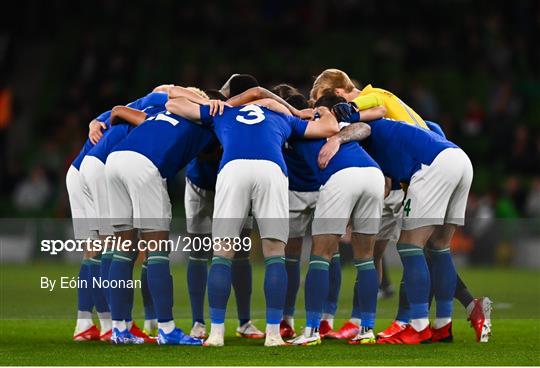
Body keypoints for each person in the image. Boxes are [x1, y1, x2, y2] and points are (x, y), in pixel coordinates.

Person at [165, 89, 339, 347]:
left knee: (222, 253)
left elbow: (173, 104)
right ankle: (273, 334)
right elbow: (329, 128)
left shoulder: (223, 112)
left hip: (233, 169)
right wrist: (307, 111)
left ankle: (215, 334)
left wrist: (212, 102)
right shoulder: (281, 117)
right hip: (271, 168)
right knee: (274, 253)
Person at [319, 114, 473, 344]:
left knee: (409, 245)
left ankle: (418, 326)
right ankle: (443, 324)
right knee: (439, 247)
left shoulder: (361, 132)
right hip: (460, 160)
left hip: (432, 166)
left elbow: (385, 184)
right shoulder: (410, 124)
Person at [104, 86, 221, 345]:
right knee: (157, 250)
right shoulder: (207, 117)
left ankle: (119, 329)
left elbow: (124, 112)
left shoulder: (161, 112)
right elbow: (213, 151)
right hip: (145, 166)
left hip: (115, 162)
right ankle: (167, 329)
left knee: (123, 250)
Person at [285, 93, 385, 346]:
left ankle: (310, 332)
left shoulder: (297, 124)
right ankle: (367, 331)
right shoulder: (334, 122)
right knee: (365, 258)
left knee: (320, 256)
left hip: (341, 177)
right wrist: (339, 137)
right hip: (374, 175)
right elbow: (364, 127)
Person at [79, 89, 169, 342]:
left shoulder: (135, 107)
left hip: (88, 165)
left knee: (102, 247)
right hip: (100, 166)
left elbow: (104, 117)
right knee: (114, 247)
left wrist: (94, 123)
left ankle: (94, 323)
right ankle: (116, 326)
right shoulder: (157, 106)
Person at [184, 88, 263, 340]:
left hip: (233, 186)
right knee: (198, 251)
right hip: (199, 186)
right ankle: (198, 322)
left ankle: (244, 321)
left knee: (240, 251)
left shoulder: (233, 117)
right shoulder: (200, 117)